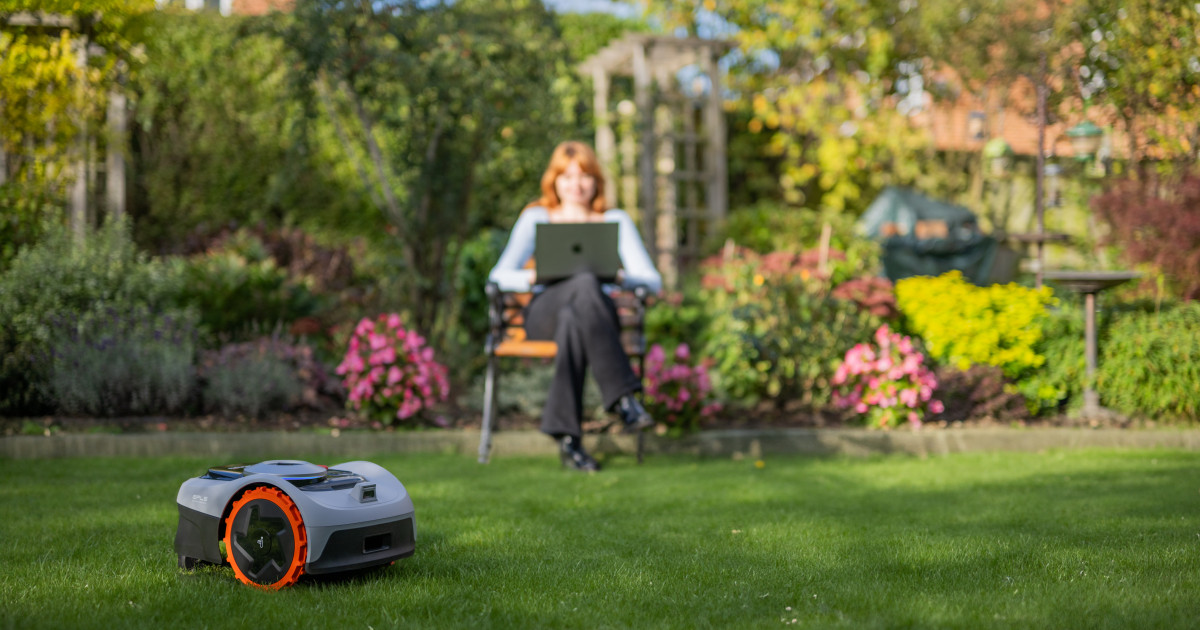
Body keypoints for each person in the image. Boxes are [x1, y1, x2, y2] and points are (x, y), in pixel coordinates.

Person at [489, 141, 662, 472]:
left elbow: (652, 281)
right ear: (554, 181)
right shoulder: (536, 218)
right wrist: (534, 276)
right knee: (582, 283)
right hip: (545, 312)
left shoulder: (614, 220)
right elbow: (498, 276)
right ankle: (623, 398)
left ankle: (569, 439)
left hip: (594, 316)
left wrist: (618, 276)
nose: (576, 184)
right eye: (567, 176)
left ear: (596, 180)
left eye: (584, 175)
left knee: (578, 308)